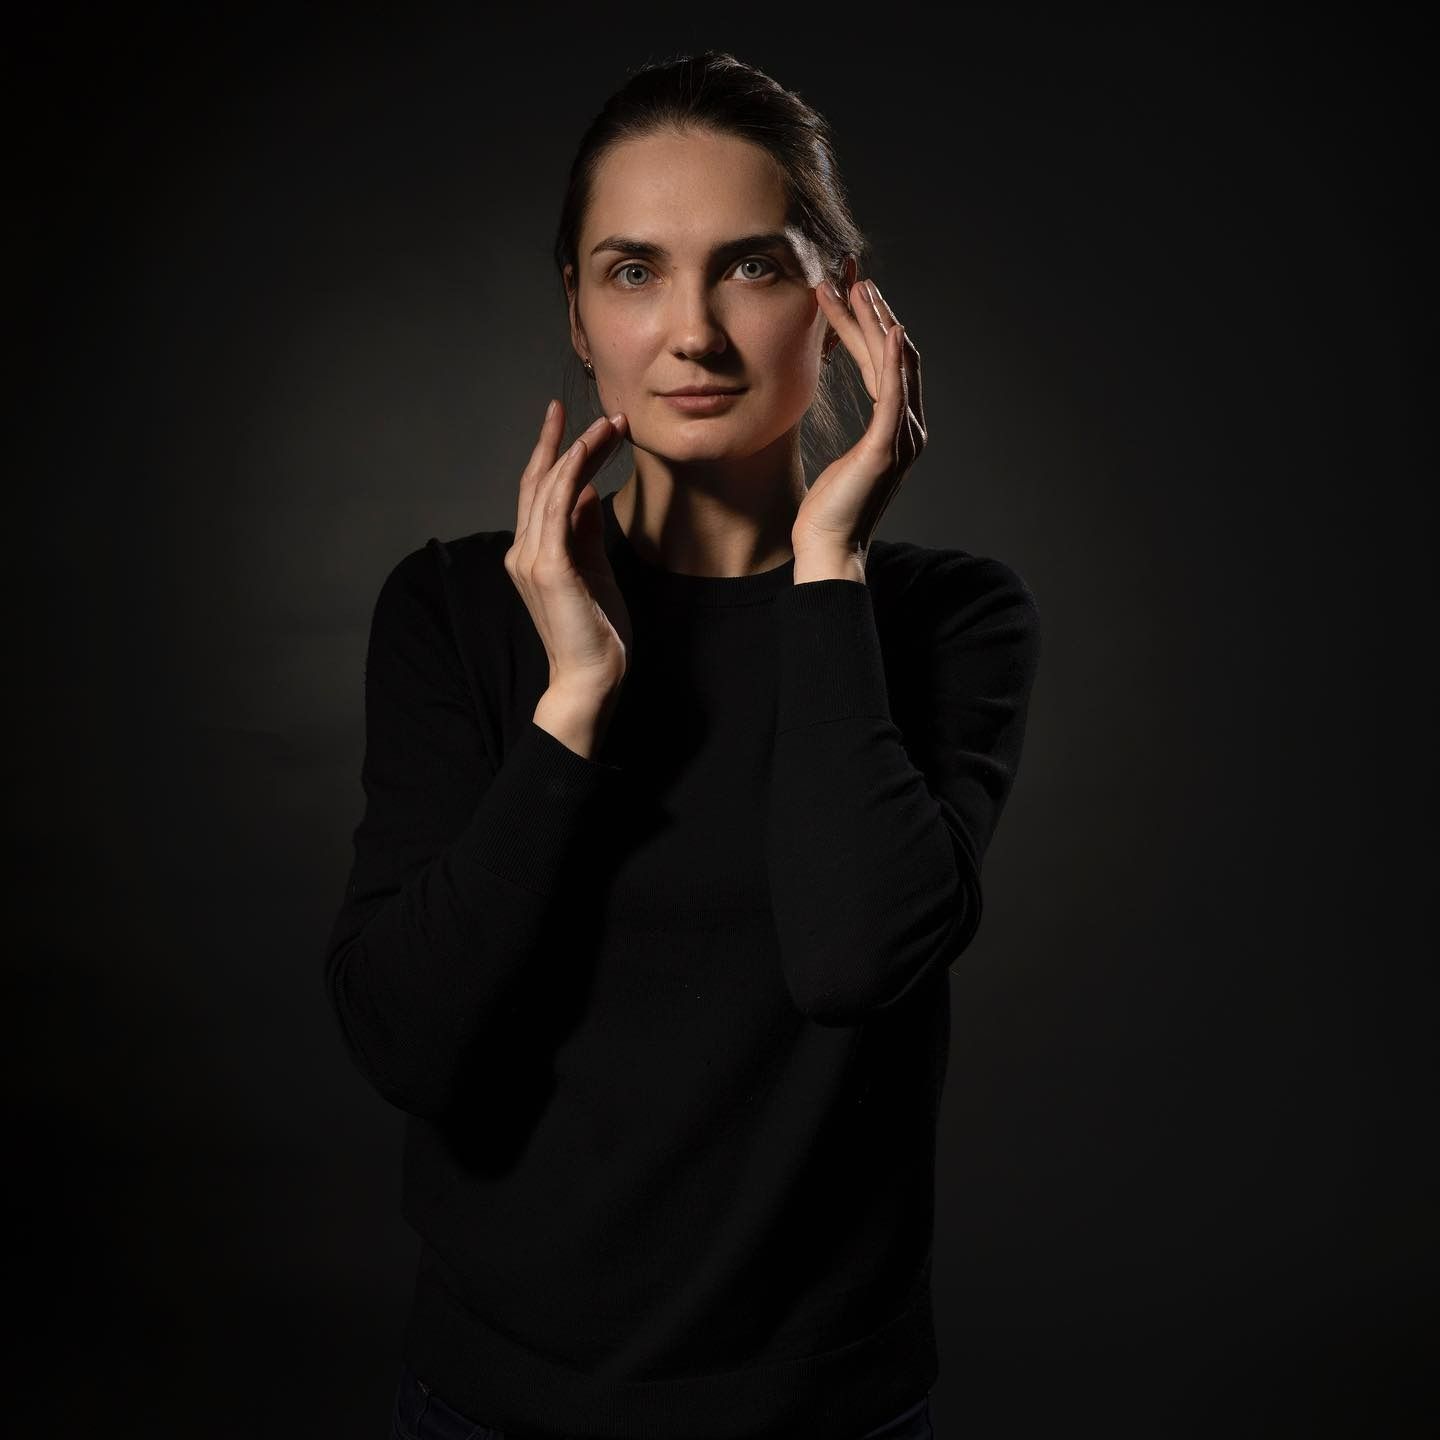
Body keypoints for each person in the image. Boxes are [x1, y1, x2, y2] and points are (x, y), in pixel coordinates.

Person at [325, 49, 1041, 1440]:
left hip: (823, 1407)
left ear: (843, 306)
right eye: (634, 271)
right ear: (580, 322)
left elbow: (849, 955)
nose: (694, 332)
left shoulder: (951, 620)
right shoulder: (455, 611)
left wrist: (827, 566)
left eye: (755, 268)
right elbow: (408, 1042)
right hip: (494, 1404)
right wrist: (574, 700)